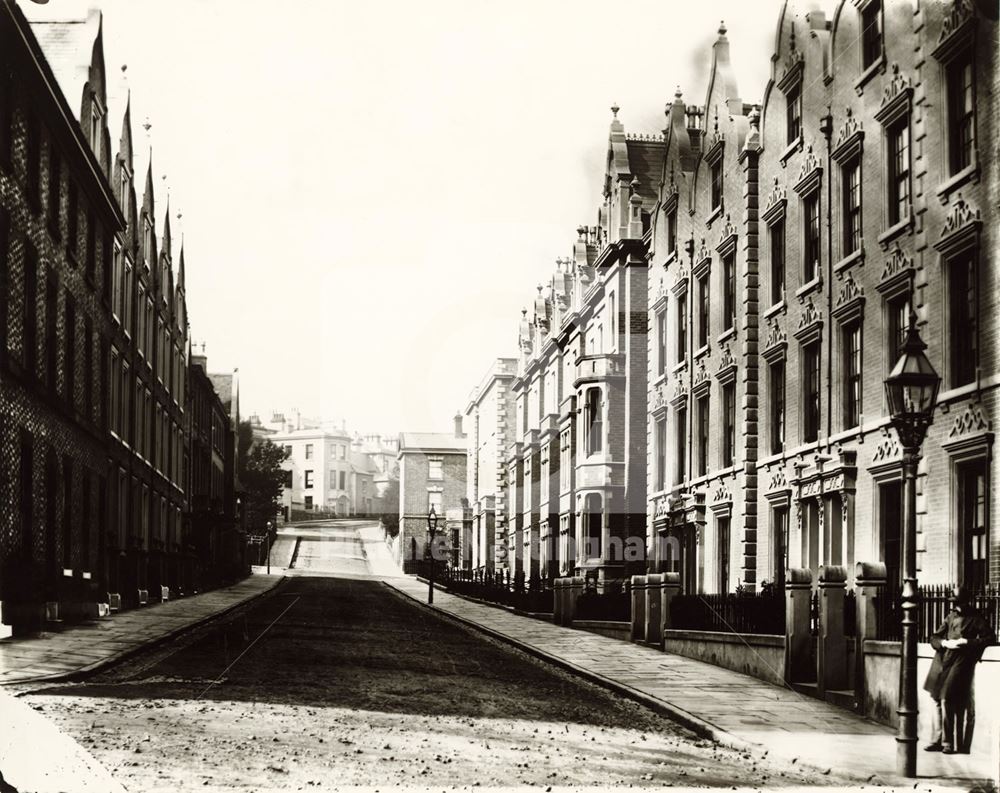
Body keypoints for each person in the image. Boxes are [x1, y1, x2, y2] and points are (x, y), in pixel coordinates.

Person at [923, 586, 996, 754]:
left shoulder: (976, 618)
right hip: (942, 660)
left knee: (946, 698)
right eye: (954, 603)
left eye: (959, 603)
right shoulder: (950, 616)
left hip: (960, 661)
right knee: (935, 698)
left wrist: (967, 642)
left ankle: (948, 743)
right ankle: (937, 740)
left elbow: (990, 637)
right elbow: (934, 637)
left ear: (966, 602)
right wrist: (943, 643)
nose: (956, 606)